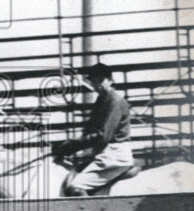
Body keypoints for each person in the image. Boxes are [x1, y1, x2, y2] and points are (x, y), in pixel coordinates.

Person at [55, 62, 136, 195]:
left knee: (74, 187)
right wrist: (66, 148)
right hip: (104, 153)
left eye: (100, 80)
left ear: (110, 80)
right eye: (93, 82)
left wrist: (71, 145)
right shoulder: (101, 101)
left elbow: (102, 136)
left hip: (114, 155)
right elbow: (89, 131)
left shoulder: (114, 101)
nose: (97, 85)